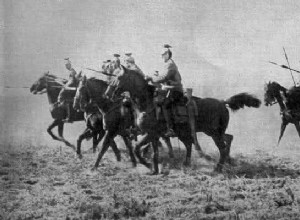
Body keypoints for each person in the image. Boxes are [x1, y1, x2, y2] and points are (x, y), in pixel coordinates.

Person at [146, 44, 183, 137]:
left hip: (175, 90)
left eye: (163, 55)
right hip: (169, 89)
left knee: (165, 103)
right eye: (161, 55)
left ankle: (171, 128)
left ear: (167, 54)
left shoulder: (170, 64)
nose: (161, 56)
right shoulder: (167, 64)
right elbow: (162, 77)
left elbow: (164, 77)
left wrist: (151, 78)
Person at [57, 58, 78, 122]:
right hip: (71, 86)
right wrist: (65, 82)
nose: (66, 66)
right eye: (65, 65)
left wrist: (66, 86)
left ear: (70, 65)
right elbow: (70, 80)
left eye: (67, 65)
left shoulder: (72, 71)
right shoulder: (70, 71)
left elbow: (72, 81)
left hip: (73, 88)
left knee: (66, 99)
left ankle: (69, 117)